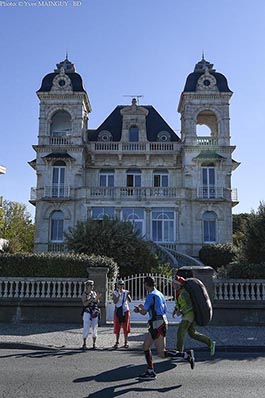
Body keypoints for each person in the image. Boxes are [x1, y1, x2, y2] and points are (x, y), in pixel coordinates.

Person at [134, 276, 195, 380]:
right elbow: (163, 308)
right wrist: (143, 308)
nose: (143, 285)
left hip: (157, 324)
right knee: (148, 347)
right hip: (161, 322)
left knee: (159, 352)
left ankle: (185, 355)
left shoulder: (150, 295)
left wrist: (138, 310)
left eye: (144, 283)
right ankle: (150, 371)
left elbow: (144, 312)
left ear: (146, 284)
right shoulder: (159, 293)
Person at [172, 275, 216, 358]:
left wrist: (181, 312)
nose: (172, 285)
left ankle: (179, 352)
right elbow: (180, 304)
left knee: (180, 332)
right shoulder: (179, 292)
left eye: (173, 284)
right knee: (192, 334)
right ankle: (210, 343)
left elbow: (189, 305)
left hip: (188, 316)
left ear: (178, 284)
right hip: (187, 315)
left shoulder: (184, 293)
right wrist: (175, 309)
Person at [81, 280, 101, 350]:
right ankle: (84, 343)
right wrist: (91, 299)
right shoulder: (84, 294)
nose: (92, 287)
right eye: (91, 285)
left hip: (94, 311)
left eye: (93, 285)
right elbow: (84, 304)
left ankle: (94, 344)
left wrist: (97, 298)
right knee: (86, 327)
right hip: (87, 312)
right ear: (87, 286)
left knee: (95, 328)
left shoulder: (94, 293)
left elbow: (96, 302)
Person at [112, 279, 132, 348]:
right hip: (118, 310)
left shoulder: (126, 292)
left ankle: (126, 342)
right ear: (117, 285)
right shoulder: (115, 292)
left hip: (125, 310)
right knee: (117, 326)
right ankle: (117, 341)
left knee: (126, 326)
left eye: (122, 284)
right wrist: (119, 295)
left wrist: (128, 295)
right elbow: (115, 301)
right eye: (120, 284)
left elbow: (130, 300)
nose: (121, 286)